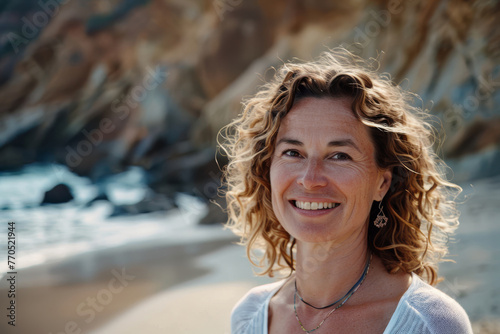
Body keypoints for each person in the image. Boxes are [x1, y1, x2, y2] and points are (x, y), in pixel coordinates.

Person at [219, 49, 473, 334]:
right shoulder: (250, 316)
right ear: (267, 170)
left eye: (339, 155)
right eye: (293, 152)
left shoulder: (430, 323)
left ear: (382, 183)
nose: (310, 179)